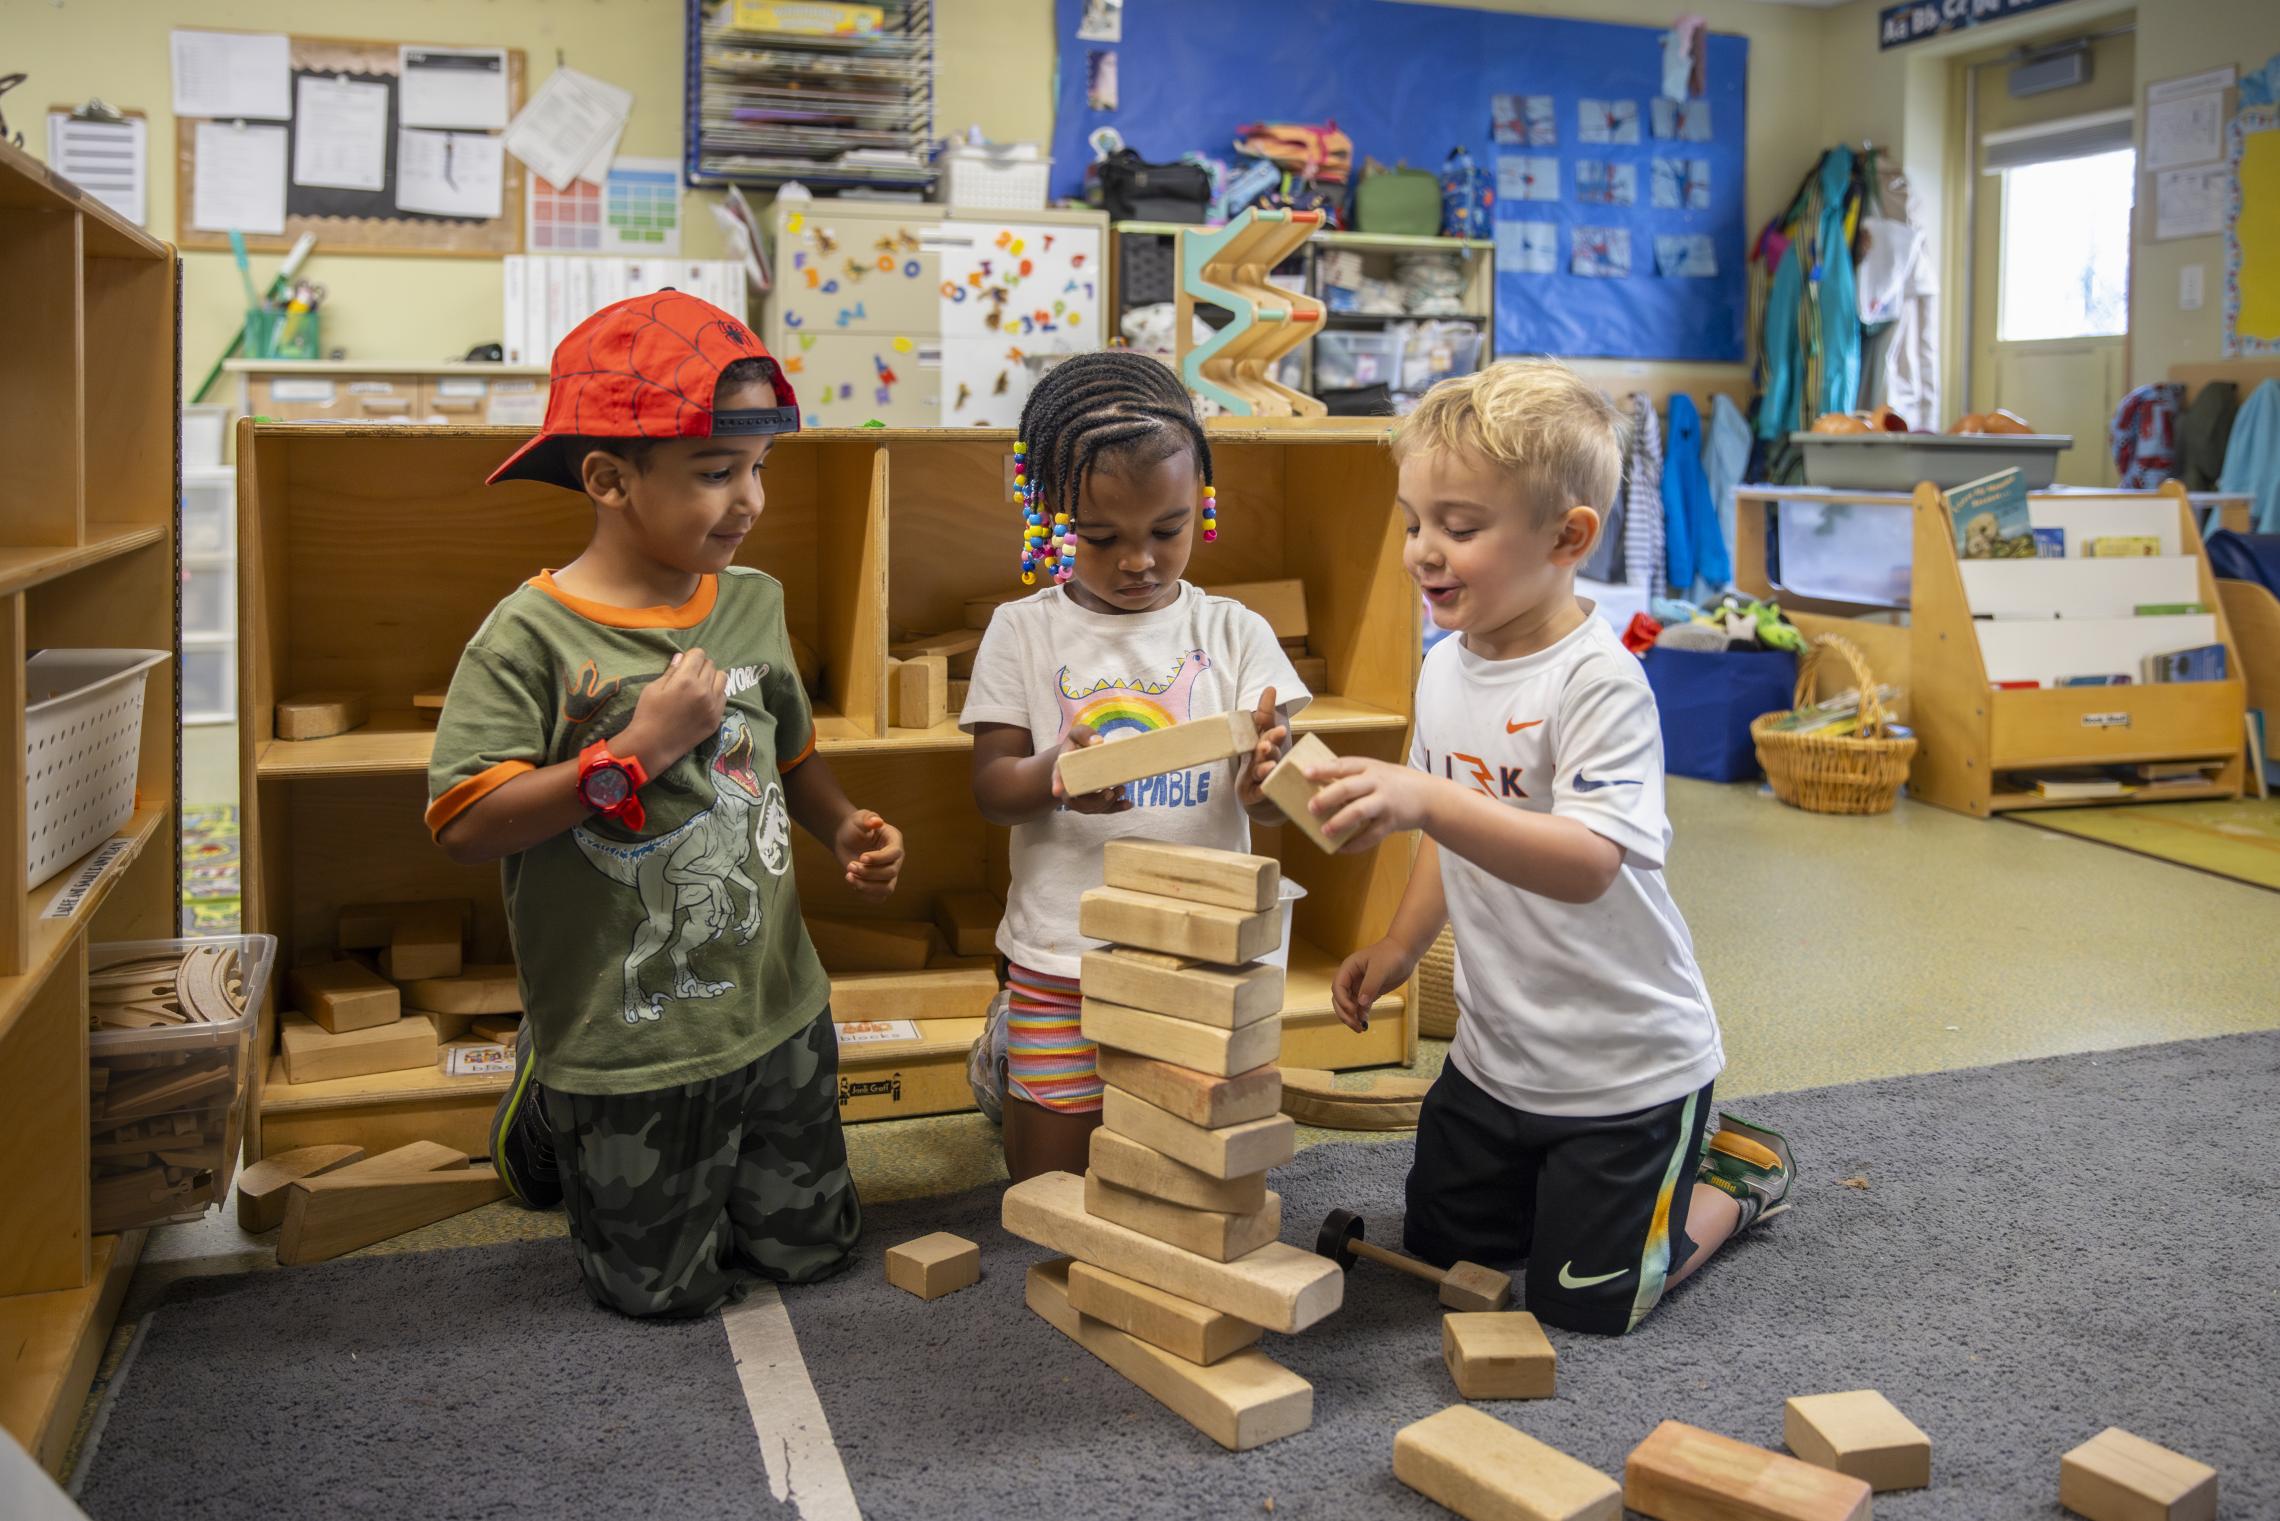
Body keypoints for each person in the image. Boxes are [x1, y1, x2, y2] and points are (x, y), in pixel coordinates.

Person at [425, 291, 905, 1319]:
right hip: (630, 1034)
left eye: (758, 470)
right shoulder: (528, 638)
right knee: (662, 1297)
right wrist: (637, 751)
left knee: (810, 1258)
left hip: (776, 1004)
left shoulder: (753, 600)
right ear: (607, 478)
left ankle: (719, 1143)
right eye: (714, 474)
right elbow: (467, 826)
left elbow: (789, 748)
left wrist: (844, 825)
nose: (749, 501)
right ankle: (548, 1102)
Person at [1311, 360, 1792, 1336]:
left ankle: (1733, 1178)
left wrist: (1430, 801)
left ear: (1568, 537)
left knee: (1585, 1305)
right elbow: (1454, 837)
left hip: (1627, 1074)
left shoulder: (1599, 683)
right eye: (1413, 522)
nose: (1422, 552)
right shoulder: (1445, 667)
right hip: (1497, 1063)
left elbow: (1587, 861)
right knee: (1444, 1257)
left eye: (1460, 526)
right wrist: (1401, 949)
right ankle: (1585, 1182)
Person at [961, 350, 1309, 1182]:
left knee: (1186, 1159)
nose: (1139, 561)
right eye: (1101, 537)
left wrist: (1268, 784)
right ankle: (1008, 1055)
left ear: (1202, 505)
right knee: (1049, 1186)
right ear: (1049, 516)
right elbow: (992, 788)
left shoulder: (1236, 632)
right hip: (1064, 951)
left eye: (1167, 530)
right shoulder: (1022, 630)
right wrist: (1057, 775)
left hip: (1200, 953)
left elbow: (1271, 802)